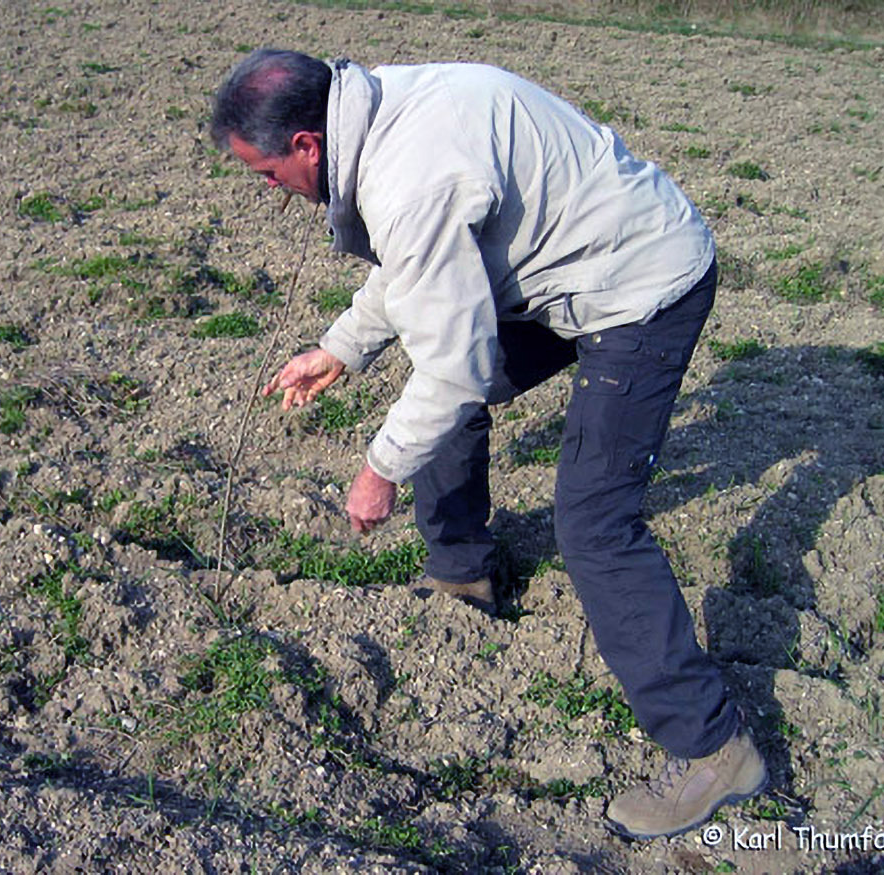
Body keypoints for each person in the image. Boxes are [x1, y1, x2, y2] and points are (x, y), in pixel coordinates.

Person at [209, 48, 768, 840]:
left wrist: (378, 469)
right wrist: (341, 346)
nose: (269, 189)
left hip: (640, 285)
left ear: (306, 143)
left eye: (267, 173)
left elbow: (452, 353)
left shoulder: (407, 174)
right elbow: (418, 265)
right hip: (564, 264)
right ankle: (462, 573)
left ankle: (711, 746)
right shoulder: (376, 114)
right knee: (442, 391)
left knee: (593, 522)